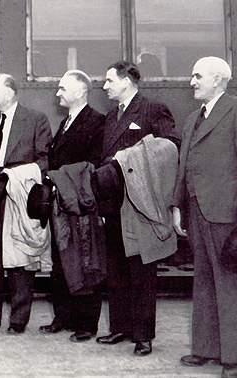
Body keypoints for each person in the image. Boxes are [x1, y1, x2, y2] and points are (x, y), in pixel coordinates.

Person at [173, 57, 237, 378]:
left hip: (225, 211)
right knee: (203, 281)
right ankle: (205, 348)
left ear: (219, 79)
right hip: (197, 210)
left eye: (197, 76)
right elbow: (183, 166)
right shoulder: (193, 118)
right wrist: (177, 205)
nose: (192, 82)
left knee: (229, 283)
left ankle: (232, 357)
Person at [95, 61, 179, 356]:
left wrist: (130, 155)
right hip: (113, 202)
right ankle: (121, 327)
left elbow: (170, 146)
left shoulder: (153, 109)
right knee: (116, 268)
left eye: (109, 81)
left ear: (127, 81)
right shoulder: (110, 117)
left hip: (139, 202)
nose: (104, 87)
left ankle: (143, 335)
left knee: (142, 270)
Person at [0, 73, 53, 334]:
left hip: (21, 192)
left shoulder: (36, 119)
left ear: (10, 92)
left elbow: (45, 160)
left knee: (21, 257)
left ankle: (18, 319)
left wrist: (18, 175)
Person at [39, 70, 104, 342]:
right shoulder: (66, 123)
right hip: (61, 205)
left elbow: (93, 165)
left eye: (63, 88)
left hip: (81, 205)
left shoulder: (97, 122)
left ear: (80, 91)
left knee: (86, 261)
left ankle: (87, 324)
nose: (58, 93)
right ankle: (63, 317)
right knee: (61, 260)